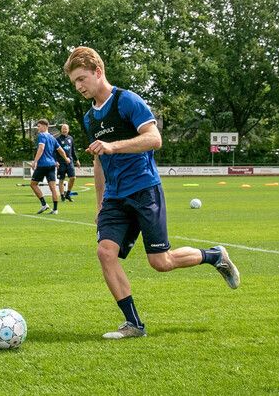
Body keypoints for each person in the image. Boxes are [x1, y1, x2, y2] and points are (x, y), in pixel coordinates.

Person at [63, 46, 240, 339]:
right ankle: (134, 324)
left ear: (98, 72)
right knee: (105, 252)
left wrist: (113, 146)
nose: (79, 86)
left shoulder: (127, 101)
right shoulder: (89, 119)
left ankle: (214, 255)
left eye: (81, 79)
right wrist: (98, 203)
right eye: (74, 83)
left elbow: (154, 139)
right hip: (115, 198)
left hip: (144, 189)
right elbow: (99, 161)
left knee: (161, 262)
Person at [30, 119, 70, 215]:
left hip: (42, 165)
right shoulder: (53, 138)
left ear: (44, 126)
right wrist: (66, 158)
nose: (38, 128)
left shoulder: (41, 136)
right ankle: (55, 209)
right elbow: (60, 150)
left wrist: (35, 161)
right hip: (52, 165)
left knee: (33, 184)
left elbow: (41, 148)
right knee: (53, 188)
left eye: (39, 126)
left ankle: (44, 204)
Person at [56, 124, 80, 201]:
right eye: (63, 128)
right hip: (61, 162)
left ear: (68, 130)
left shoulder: (71, 138)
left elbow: (73, 150)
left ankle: (68, 194)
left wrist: (77, 160)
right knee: (61, 179)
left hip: (70, 162)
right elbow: (55, 152)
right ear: (61, 130)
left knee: (73, 178)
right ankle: (62, 195)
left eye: (66, 129)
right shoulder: (57, 139)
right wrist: (56, 161)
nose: (64, 130)